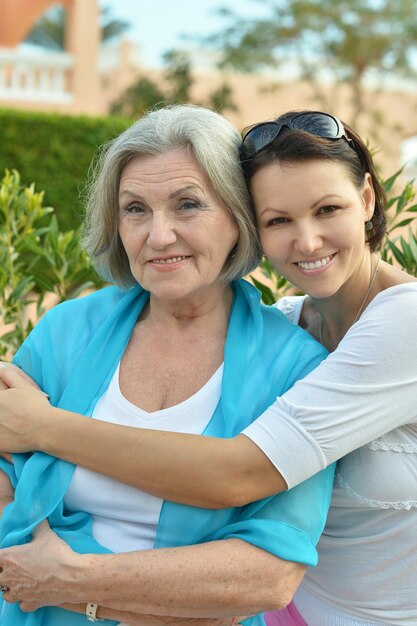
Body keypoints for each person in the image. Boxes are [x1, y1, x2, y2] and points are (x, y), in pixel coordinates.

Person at [1, 109, 416, 624]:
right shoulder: (68, 328)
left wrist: (71, 582)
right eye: (135, 209)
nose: (159, 235)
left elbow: (257, 548)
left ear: (236, 218)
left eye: (188, 205)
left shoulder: (309, 355)